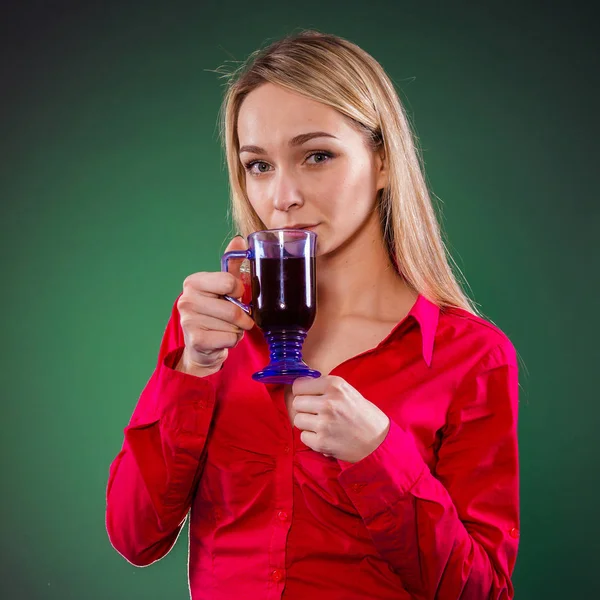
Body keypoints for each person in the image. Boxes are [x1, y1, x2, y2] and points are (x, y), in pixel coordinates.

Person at [105, 30, 520, 600]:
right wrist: (191, 372)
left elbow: (482, 593)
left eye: (316, 155)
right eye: (258, 165)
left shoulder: (471, 355)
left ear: (382, 163)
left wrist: (380, 455)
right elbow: (134, 536)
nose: (283, 196)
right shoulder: (210, 330)